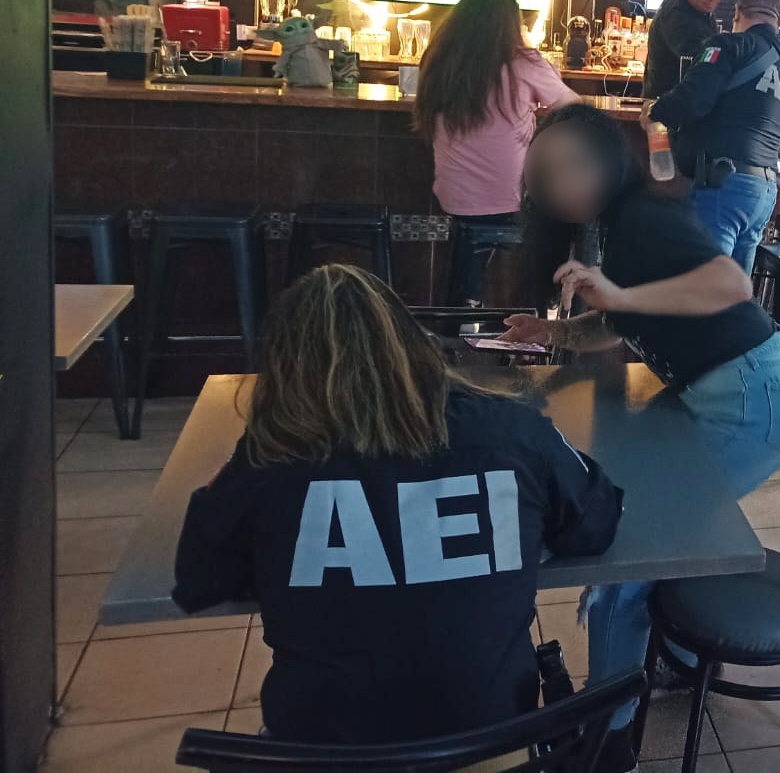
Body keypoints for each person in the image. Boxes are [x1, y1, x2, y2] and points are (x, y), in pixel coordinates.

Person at [171, 264, 622, 744]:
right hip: (492, 749)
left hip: (321, 754)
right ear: (415, 343)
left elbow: (200, 577)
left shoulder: (268, 455)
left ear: (282, 366)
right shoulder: (512, 431)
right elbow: (596, 522)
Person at [503, 103, 780, 771]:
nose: (561, 185)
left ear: (611, 162)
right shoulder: (620, 226)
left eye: (574, 166)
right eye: (545, 176)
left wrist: (619, 297)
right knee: (646, 525)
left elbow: (731, 283)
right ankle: (678, 657)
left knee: (624, 564)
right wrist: (554, 331)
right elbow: (620, 324)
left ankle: (607, 739)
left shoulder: (643, 217)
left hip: (751, 404)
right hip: (723, 394)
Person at [415, 0, 578, 303]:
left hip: (454, 198)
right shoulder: (525, 63)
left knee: (474, 241)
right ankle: (545, 305)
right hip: (510, 201)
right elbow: (574, 107)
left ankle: (466, 308)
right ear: (511, 23)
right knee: (572, 216)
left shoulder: (439, 60)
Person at [648, 0, 780, 272]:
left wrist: (655, 111)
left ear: (737, 12)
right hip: (765, 191)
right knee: (734, 291)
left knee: (703, 287)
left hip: (724, 187)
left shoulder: (729, 46)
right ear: (778, 20)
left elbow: (691, 101)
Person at [641, 0, 723, 98]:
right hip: (665, 104)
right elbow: (705, 64)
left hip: (679, 99)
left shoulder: (698, 5)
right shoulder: (676, 16)